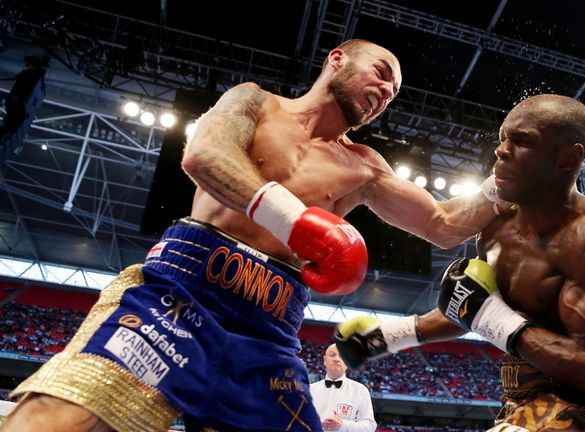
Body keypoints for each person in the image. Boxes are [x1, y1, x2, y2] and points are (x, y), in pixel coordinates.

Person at [1, 39, 501, 432]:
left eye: (392, 94)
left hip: (269, 332)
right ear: (338, 59)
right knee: (67, 417)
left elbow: (443, 224)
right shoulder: (256, 102)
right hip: (180, 296)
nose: (385, 93)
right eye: (381, 74)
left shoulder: (364, 166)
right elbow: (205, 156)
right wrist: (297, 221)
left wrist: (509, 177)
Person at [333, 94, 585, 431]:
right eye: (502, 138)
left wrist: (489, 316)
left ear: (569, 157)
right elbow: (472, 308)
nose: (501, 151)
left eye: (522, 141)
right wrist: (388, 336)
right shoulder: (498, 226)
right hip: (523, 400)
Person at [309, 344, 376, 432]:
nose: (336, 359)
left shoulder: (360, 390)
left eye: (342, 356)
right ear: (325, 360)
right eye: (332, 355)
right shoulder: (309, 390)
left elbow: (370, 427)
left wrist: (343, 426)